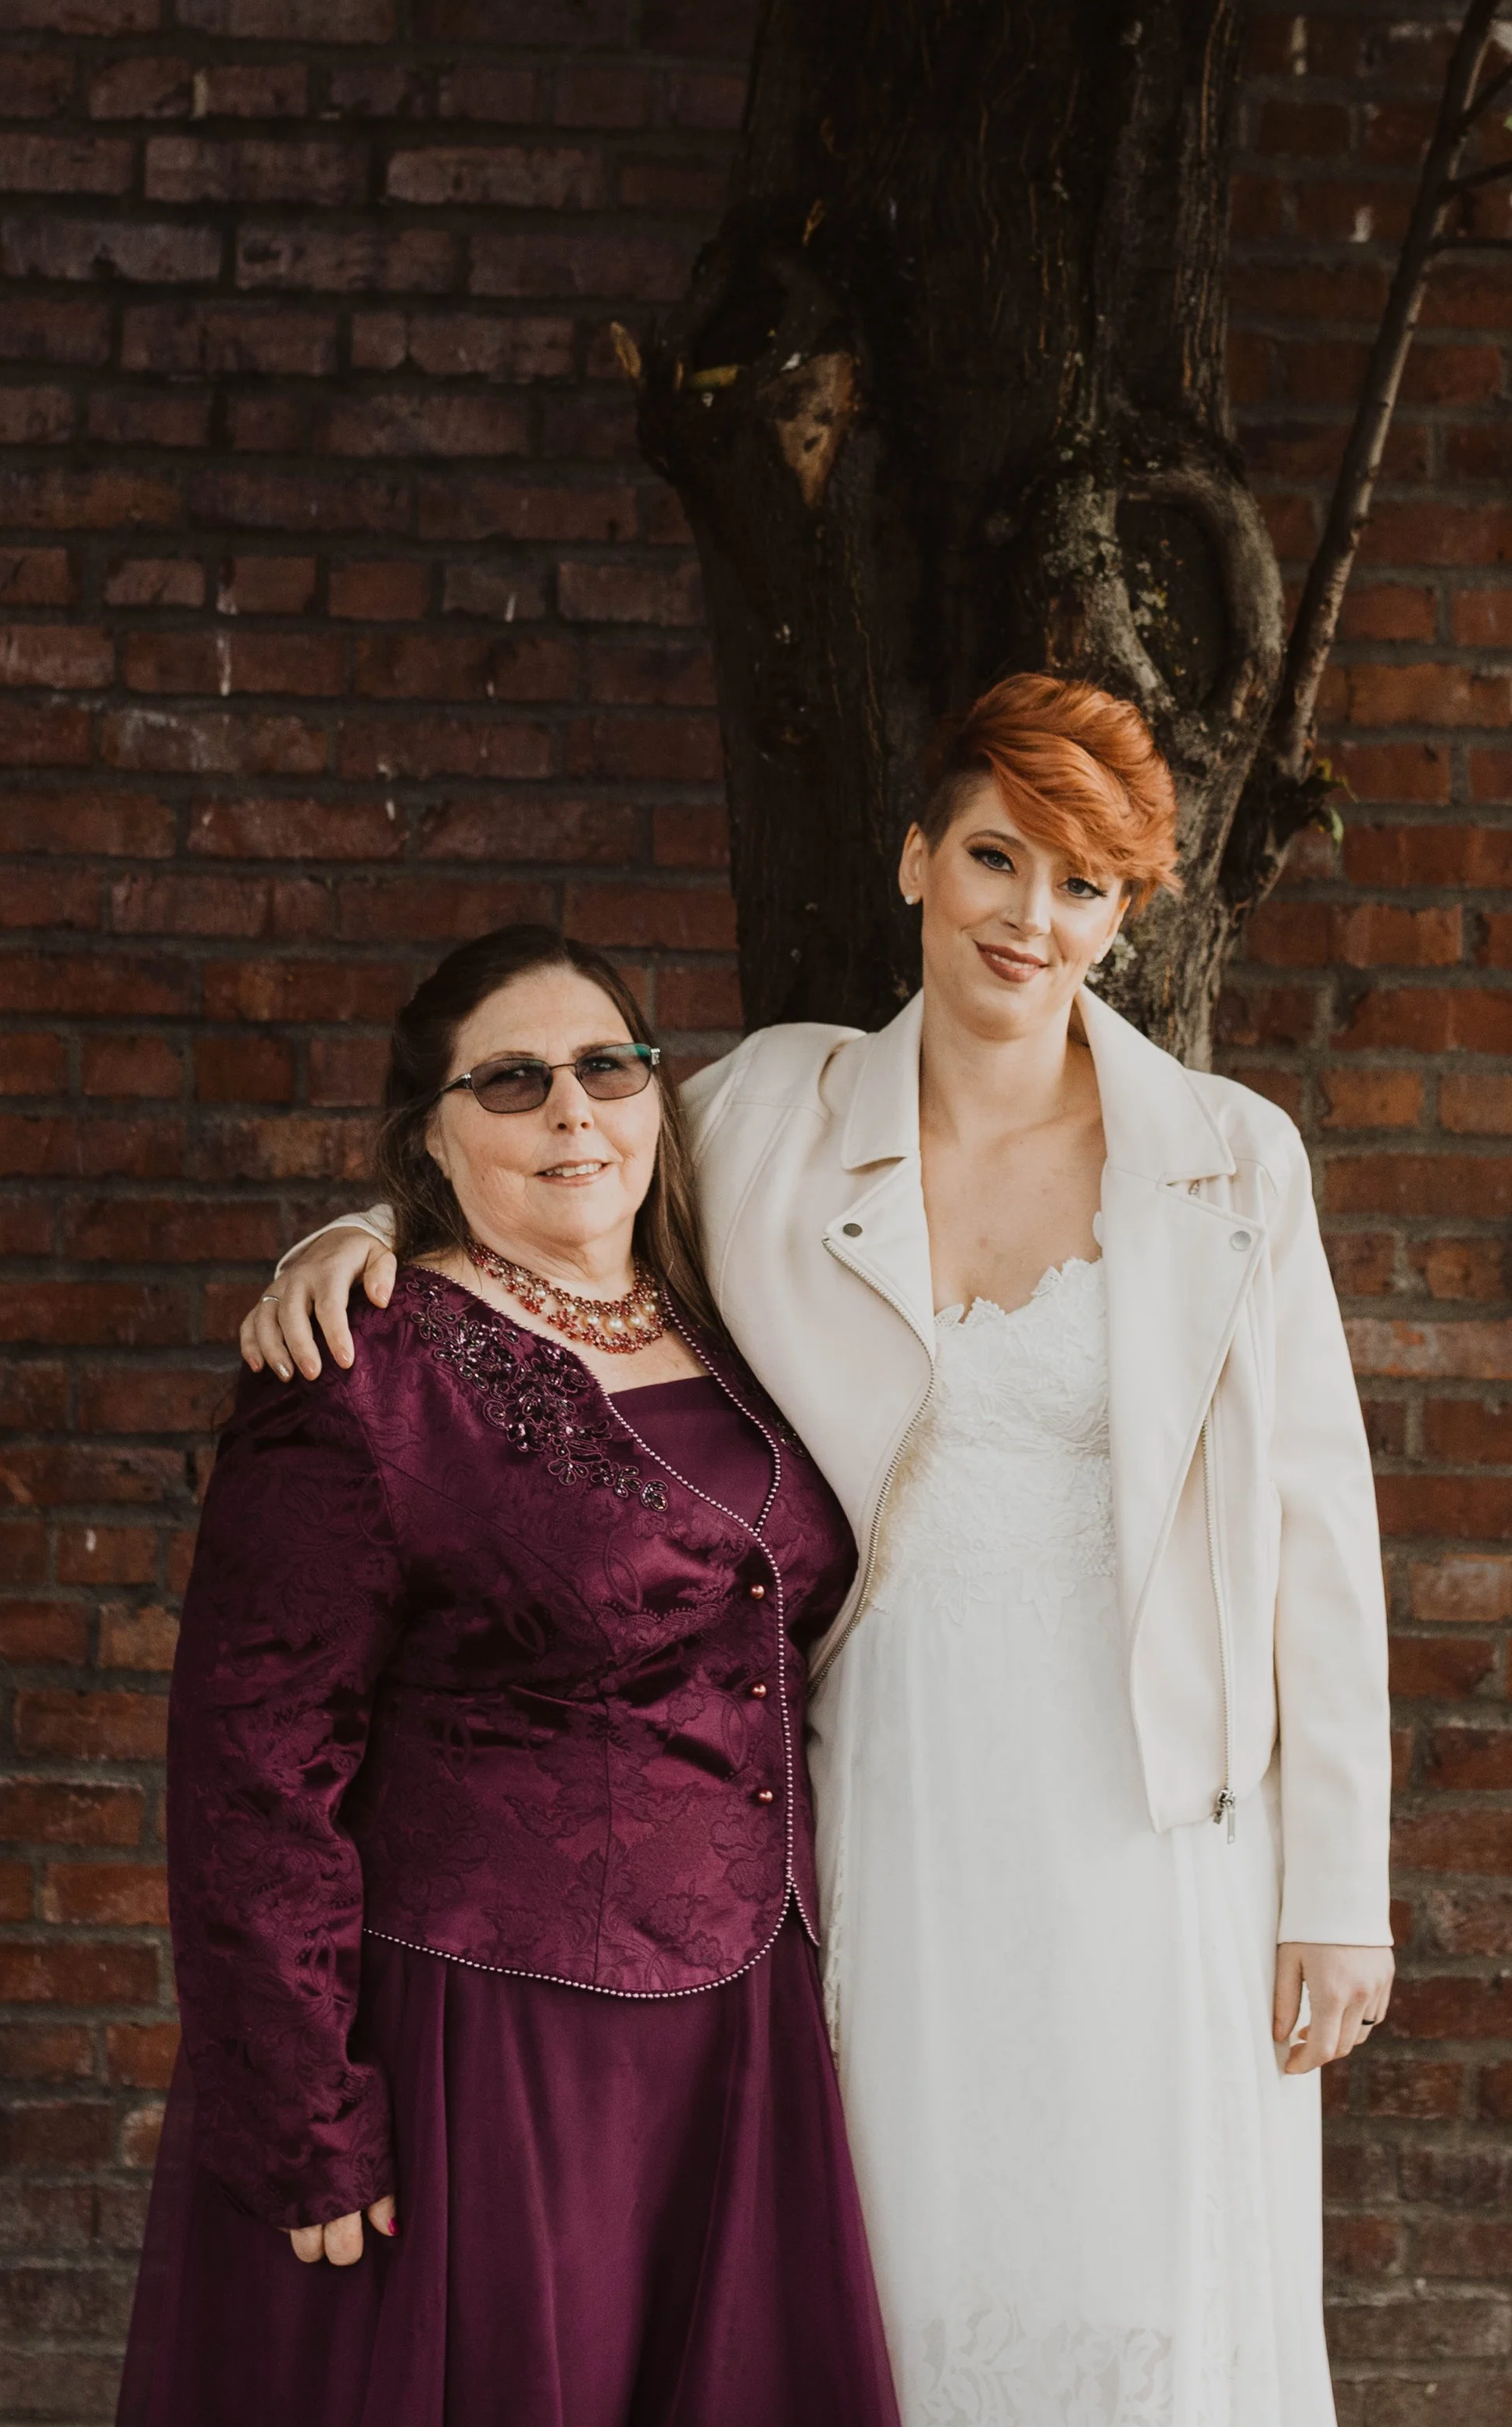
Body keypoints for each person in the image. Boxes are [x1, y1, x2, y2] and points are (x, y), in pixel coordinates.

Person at [251, 674, 1393, 2426]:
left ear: (1120, 914)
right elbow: (568, 1170)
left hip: (1148, 1805)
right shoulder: (771, 1110)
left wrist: (1335, 1892)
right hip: (879, 1781)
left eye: (1080, 884)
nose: (1030, 915)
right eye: (996, 857)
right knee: (900, 2248)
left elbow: (1316, 1527)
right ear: (914, 858)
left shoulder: (1227, 1163)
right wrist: (357, 1234)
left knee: (1137, 2265)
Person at [116, 925, 901, 2427]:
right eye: (514, 1081)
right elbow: (255, 1768)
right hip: (496, 2044)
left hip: (740, 2028)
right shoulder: (364, 1369)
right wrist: (302, 2115)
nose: (572, 1111)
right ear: (431, 1132)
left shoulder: (735, 1317)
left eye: (608, 1067)